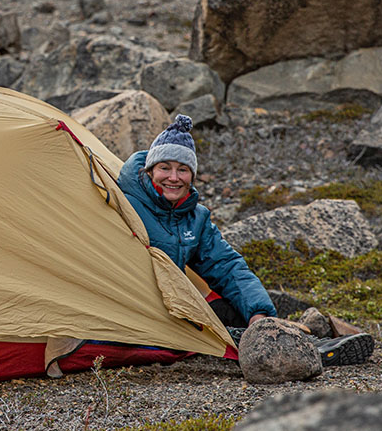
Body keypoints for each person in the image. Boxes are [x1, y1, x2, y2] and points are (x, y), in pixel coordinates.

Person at [116, 113, 374, 367]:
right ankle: (303, 347)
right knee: (216, 331)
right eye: (165, 168)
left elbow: (226, 264)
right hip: (134, 305)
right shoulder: (125, 201)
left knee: (239, 313)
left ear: (192, 176)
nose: (173, 177)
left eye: (182, 170)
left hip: (176, 301)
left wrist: (258, 313)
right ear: (150, 171)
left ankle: (299, 338)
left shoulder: (195, 217)